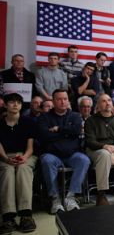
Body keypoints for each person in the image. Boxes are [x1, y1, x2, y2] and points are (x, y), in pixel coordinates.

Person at [37, 89, 90, 214]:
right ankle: (55, 199)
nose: (62, 102)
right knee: (46, 160)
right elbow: (44, 136)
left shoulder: (75, 116)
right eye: (59, 99)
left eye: (65, 99)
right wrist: (67, 133)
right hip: (52, 154)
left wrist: (58, 129)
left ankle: (70, 197)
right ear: (53, 101)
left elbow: (77, 131)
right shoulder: (44, 117)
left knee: (84, 160)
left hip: (72, 154)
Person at [0, 93, 37, 234]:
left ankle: (26, 215)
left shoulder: (28, 122)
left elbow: (30, 148)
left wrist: (24, 157)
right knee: (7, 171)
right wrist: (5, 159)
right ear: (5, 105)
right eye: (12, 102)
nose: (15, 104)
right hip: (4, 156)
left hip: (25, 155)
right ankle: (8, 217)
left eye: (18, 102)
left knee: (23, 169)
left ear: (21, 105)